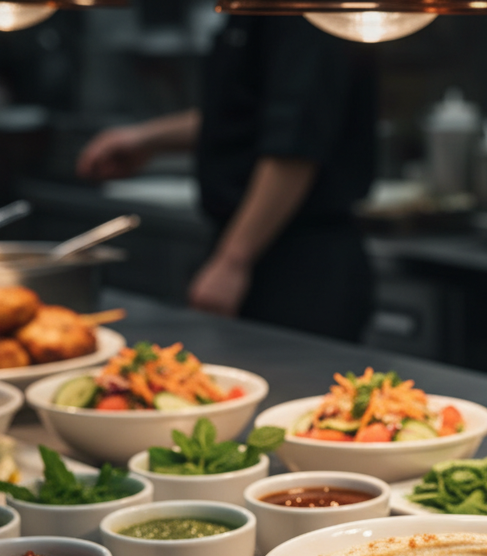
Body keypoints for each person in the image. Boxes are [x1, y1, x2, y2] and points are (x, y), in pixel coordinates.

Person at [77, 15, 377, 342]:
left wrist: (232, 261)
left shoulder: (302, 14)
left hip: (301, 262)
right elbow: (242, 115)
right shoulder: (247, 13)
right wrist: (147, 138)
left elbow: (294, 148)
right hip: (254, 245)